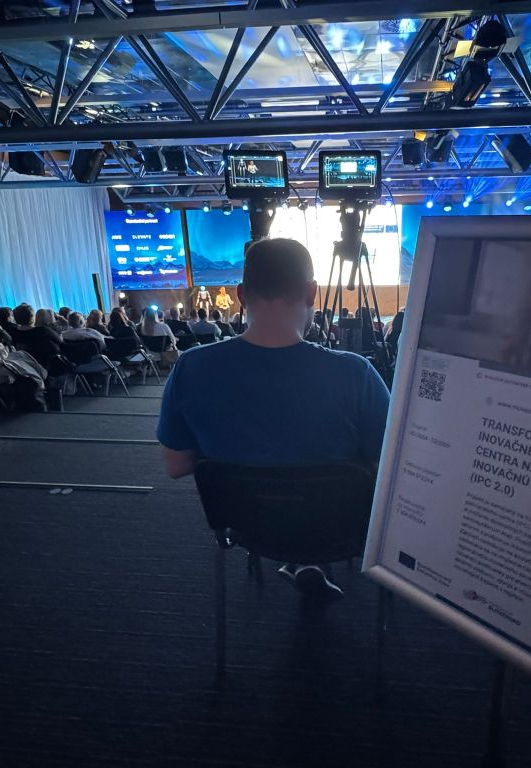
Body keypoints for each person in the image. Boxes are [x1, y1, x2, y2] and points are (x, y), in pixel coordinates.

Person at [157, 238, 390, 599]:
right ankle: (309, 561)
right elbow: (390, 465)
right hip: (343, 530)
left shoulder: (191, 368)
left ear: (240, 295)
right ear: (311, 293)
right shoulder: (356, 374)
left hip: (249, 529)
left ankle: (298, 562)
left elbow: (176, 465)